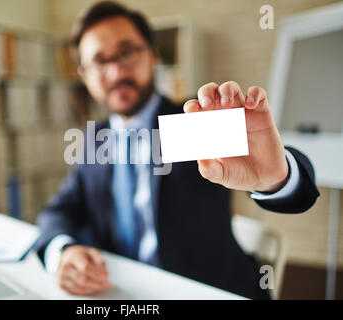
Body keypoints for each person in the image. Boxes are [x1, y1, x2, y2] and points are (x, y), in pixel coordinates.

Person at [34, 1, 319, 299]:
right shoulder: (94, 138)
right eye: (100, 61)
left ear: (154, 54)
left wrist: (277, 177)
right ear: (84, 74)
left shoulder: (192, 121)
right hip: (121, 293)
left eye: (127, 52)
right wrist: (63, 251)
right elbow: (59, 211)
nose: (116, 71)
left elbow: (291, 185)